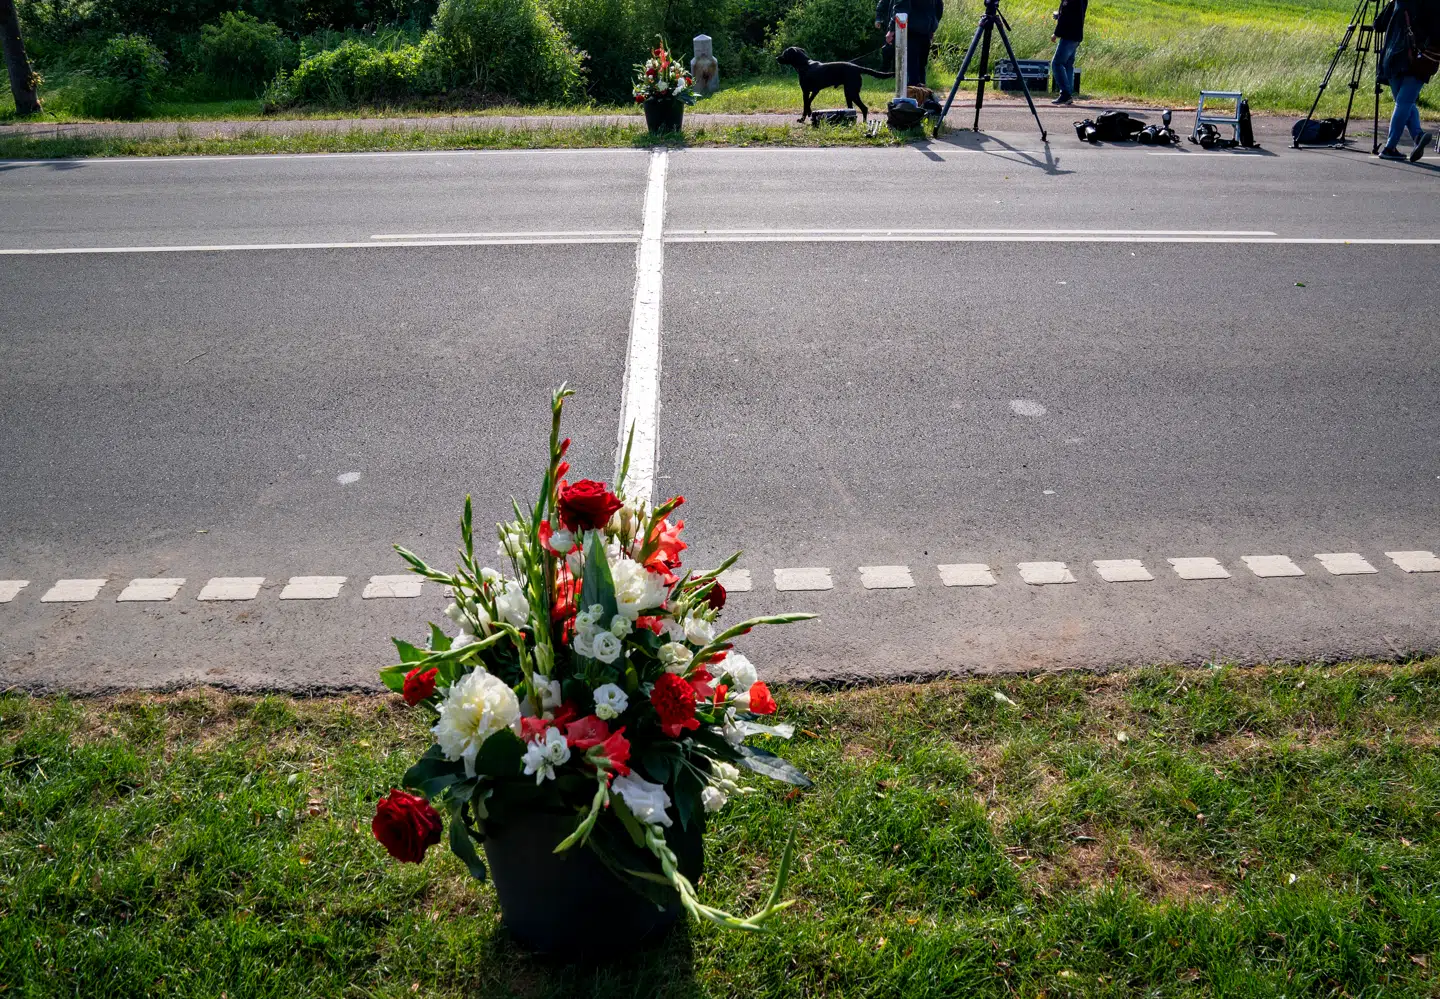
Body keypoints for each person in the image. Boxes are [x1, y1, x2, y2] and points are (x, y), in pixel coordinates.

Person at [1376, 0, 1437, 161]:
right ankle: (1389, 147)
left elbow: (1378, 25)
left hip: (1391, 58)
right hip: (1417, 59)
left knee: (1405, 103)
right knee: (1404, 103)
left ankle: (1418, 136)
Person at [875, 0, 944, 89]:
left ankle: (913, 96)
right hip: (926, 30)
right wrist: (932, 26)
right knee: (921, 68)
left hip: (911, 30)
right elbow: (939, 6)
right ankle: (922, 96)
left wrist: (891, 29)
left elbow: (901, 9)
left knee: (912, 69)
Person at [1050, 0, 1088, 105]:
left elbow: (1066, 17)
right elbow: (1075, 14)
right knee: (1068, 65)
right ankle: (1068, 93)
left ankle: (1065, 94)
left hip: (1068, 36)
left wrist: (1056, 34)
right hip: (1077, 35)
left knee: (1057, 63)